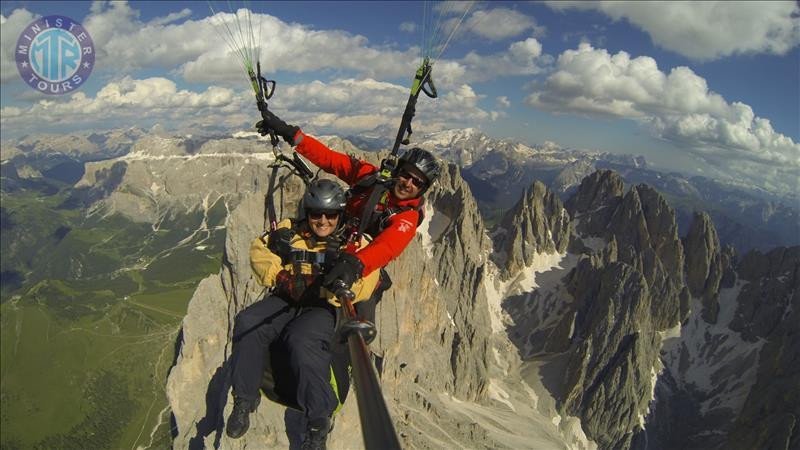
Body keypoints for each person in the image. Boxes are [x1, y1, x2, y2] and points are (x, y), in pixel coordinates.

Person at [226, 179, 379, 450]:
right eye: (315, 214)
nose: (322, 221)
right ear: (306, 212)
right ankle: (245, 399)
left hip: (322, 306)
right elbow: (259, 249)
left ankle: (317, 423)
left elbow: (369, 274)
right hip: (287, 298)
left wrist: (339, 287)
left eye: (330, 215)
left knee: (301, 339)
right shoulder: (288, 231)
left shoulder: (354, 242)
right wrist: (281, 276)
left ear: (340, 215)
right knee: (249, 322)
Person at [256, 111, 441, 306]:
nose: (407, 183)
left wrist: (356, 264)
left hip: (356, 267)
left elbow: (387, 246)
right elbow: (331, 160)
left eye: (417, 182)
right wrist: (291, 134)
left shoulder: (407, 217)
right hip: (330, 235)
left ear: (423, 189)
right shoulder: (372, 178)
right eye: (405, 174)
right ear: (398, 170)